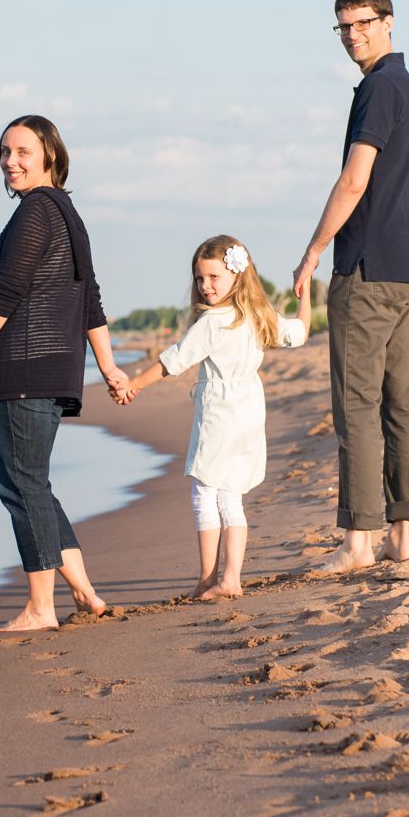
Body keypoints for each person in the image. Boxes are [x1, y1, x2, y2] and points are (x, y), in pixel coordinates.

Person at [0, 116, 129, 632]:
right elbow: (91, 297)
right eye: (4, 152)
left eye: (23, 152)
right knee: (35, 484)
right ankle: (84, 593)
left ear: (50, 154)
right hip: (57, 369)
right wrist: (107, 364)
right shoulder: (66, 211)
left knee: (21, 489)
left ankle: (40, 608)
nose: (11, 161)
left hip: (23, 367)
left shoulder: (35, 211)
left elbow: (7, 291)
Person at [290, 0, 409, 570]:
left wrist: (312, 252)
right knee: (403, 400)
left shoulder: (378, 88)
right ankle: (403, 537)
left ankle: (358, 542)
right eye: (344, 27)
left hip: (371, 267)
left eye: (364, 23)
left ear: (390, 22)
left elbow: (355, 180)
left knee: (357, 403)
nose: (354, 35)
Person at [117, 236, 309, 599]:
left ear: (237, 274)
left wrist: (133, 386)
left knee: (205, 493)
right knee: (231, 494)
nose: (206, 286)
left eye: (214, 277)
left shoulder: (212, 322)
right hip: (250, 410)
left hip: (220, 413)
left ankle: (208, 579)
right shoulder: (258, 315)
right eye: (200, 278)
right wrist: (307, 293)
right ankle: (231, 578)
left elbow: (172, 362)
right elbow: (298, 332)